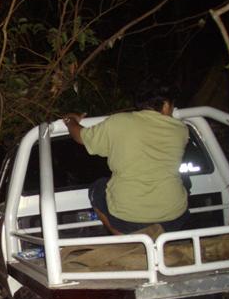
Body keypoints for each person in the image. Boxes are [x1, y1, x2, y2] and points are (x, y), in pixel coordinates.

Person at [63, 84, 189, 235]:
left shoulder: (119, 122)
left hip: (128, 220)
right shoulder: (181, 129)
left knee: (97, 188)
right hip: (173, 217)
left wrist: (70, 120)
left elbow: (80, 136)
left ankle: (123, 237)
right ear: (166, 105)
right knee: (184, 179)